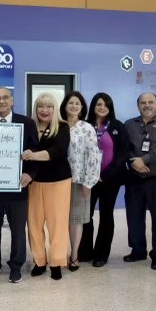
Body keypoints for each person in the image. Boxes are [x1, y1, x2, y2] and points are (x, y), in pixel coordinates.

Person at [0, 88, 39, 283]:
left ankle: (16, 266)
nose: (2, 101)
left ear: (12, 101)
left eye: (5, 98)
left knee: (17, 229)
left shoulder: (27, 123)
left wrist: (30, 174)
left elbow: (35, 153)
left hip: (17, 186)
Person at [123, 92, 156, 270]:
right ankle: (138, 251)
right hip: (134, 178)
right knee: (134, 216)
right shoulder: (129, 124)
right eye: (143, 102)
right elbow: (124, 147)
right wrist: (134, 162)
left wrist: (144, 160)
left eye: (151, 102)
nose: (147, 105)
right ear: (138, 105)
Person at [21, 92, 71, 281]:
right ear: (35, 108)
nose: (44, 110)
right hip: (33, 182)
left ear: (54, 109)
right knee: (34, 224)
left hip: (59, 182)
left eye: (49, 106)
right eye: (40, 106)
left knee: (57, 224)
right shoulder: (29, 127)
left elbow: (57, 151)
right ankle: (39, 261)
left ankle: (56, 262)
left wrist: (33, 155)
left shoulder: (63, 127)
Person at [78, 93, 129, 267]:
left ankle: (102, 254)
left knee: (106, 214)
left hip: (110, 179)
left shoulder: (117, 126)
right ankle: (85, 251)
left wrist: (104, 175)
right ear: (93, 106)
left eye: (106, 104)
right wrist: (90, 175)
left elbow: (122, 154)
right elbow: (78, 152)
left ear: (110, 107)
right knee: (87, 215)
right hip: (87, 180)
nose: (102, 107)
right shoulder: (84, 126)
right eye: (99, 104)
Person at [60, 91, 101, 272]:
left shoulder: (87, 128)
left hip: (80, 181)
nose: (74, 106)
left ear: (82, 107)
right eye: (71, 103)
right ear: (65, 105)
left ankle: (74, 254)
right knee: (59, 219)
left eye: (78, 103)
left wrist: (88, 182)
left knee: (76, 219)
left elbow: (94, 155)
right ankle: (59, 254)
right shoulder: (59, 125)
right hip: (58, 180)